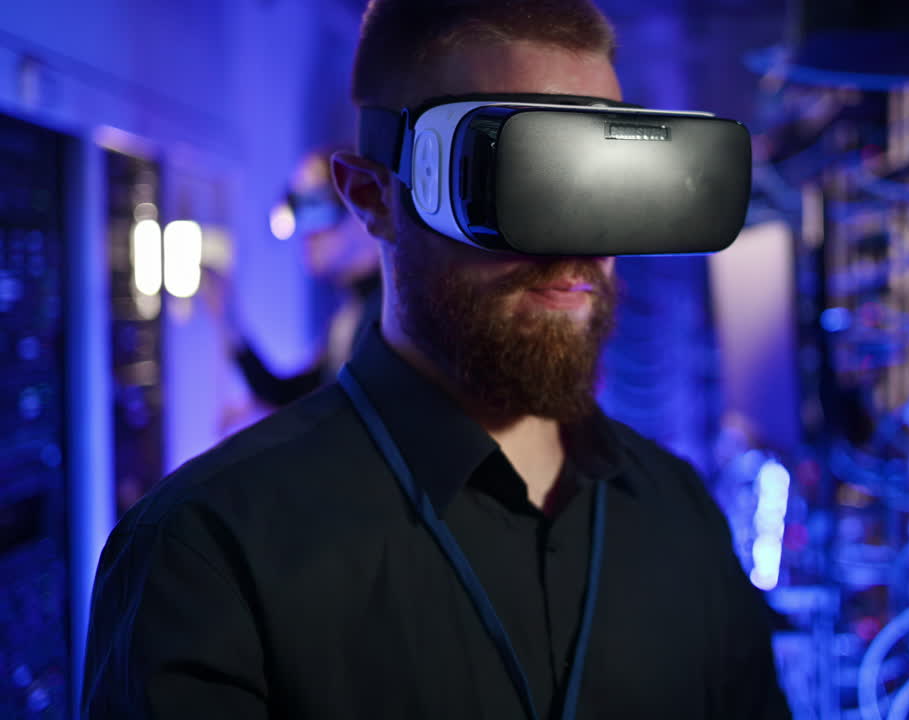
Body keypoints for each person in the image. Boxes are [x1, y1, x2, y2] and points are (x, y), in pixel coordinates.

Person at [81, 1, 790, 718]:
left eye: (603, 184)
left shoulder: (681, 513)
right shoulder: (207, 554)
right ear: (372, 196)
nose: (577, 248)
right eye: (522, 180)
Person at [204, 147, 381, 413]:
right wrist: (229, 319)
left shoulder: (394, 316)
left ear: (362, 204)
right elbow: (292, 395)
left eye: (316, 205)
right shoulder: (351, 316)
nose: (306, 232)